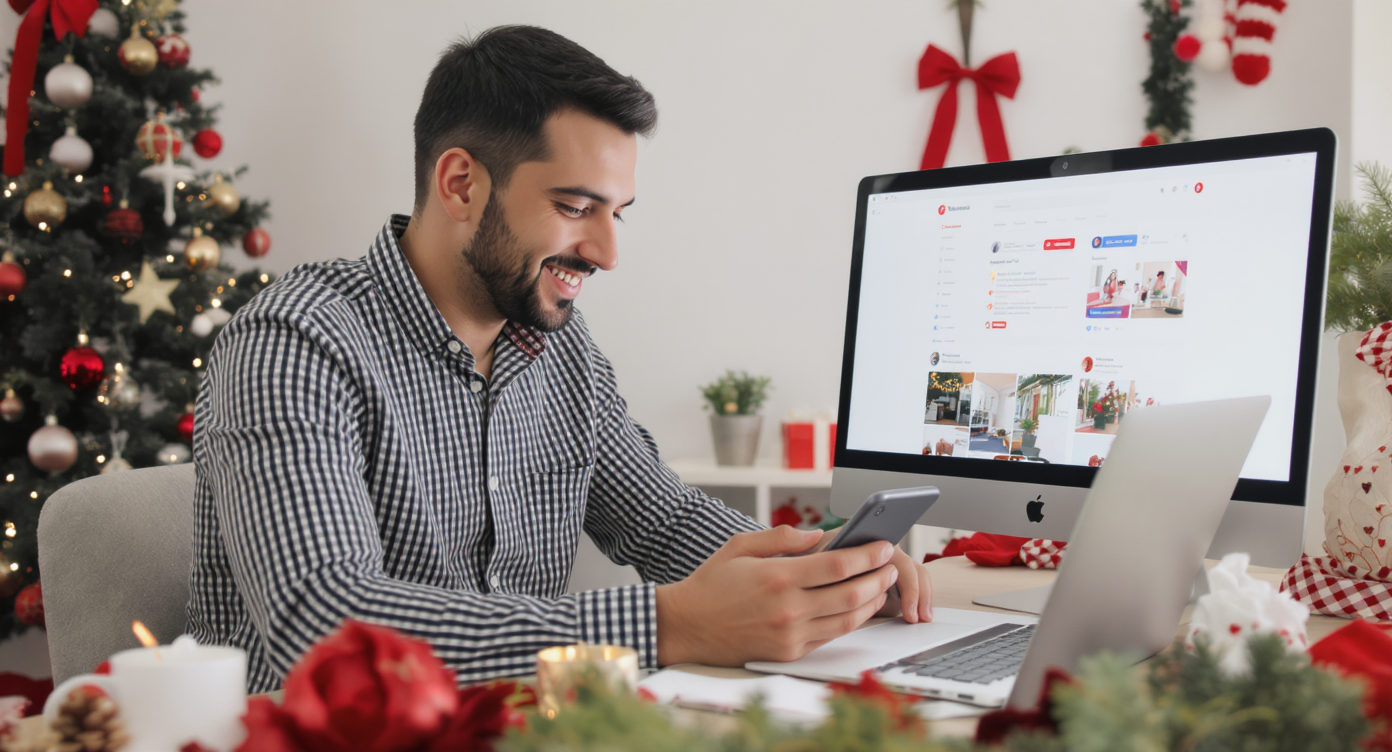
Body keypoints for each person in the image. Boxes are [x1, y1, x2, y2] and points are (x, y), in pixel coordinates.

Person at [186, 26, 932, 693]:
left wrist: (824, 568)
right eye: (576, 209)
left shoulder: (558, 347)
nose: (607, 252)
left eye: (617, 213)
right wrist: (665, 625)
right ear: (460, 184)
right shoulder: (293, 343)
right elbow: (327, 629)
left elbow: (663, 521)